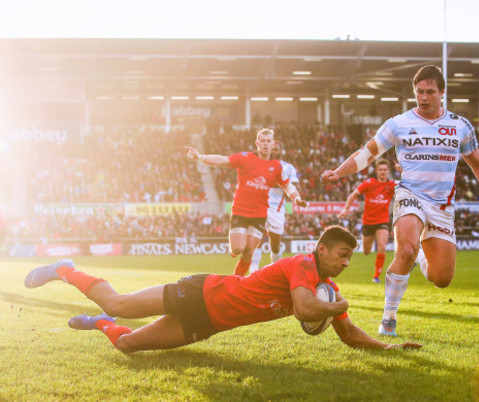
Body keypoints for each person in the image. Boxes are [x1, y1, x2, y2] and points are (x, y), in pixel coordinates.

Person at [322, 65, 479, 336]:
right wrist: (338, 173)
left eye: (430, 92)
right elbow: (367, 153)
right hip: (409, 194)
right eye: (419, 92)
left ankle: (419, 257)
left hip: (442, 206)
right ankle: (388, 319)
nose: (424, 97)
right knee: (405, 249)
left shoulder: (460, 126)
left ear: (442, 93)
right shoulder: (398, 123)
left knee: (442, 279)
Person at [24, 226, 422, 352]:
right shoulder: (303, 266)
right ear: (320, 250)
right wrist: (336, 308)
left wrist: (386, 347)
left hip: (211, 322)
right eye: (341, 254)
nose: (344, 262)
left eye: (349, 258)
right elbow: (303, 310)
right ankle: (65, 269)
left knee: (128, 346)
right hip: (202, 293)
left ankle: (98, 323)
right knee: (121, 303)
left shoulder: (328, 290)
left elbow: (348, 333)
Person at [185, 128, 308, 276]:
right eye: (262, 140)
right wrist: (200, 157)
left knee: (249, 251)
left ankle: (237, 281)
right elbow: (222, 160)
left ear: (272, 144)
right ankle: (234, 249)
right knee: (238, 249)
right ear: (257, 143)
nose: (265, 144)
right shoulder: (245, 158)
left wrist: (296, 198)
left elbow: (287, 185)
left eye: (268, 141)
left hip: (260, 214)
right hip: (240, 212)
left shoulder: (276, 166)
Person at [338, 159, 397, 284]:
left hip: (382, 221)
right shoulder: (369, 183)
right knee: (366, 251)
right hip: (368, 222)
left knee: (382, 246)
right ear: (376, 171)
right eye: (380, 169)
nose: (382, 172)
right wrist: (345, 209)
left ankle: (376, 276)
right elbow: (353, 195)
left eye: (385, 170)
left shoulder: (391, 185)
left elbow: (408, 186)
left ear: (388, 171)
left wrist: (402, 170)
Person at [249, 140, 301, 273]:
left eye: (276, 149)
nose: (273, 151)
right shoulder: (258, 164)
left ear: (281, 151)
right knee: (256, 241)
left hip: (276, 210)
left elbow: (296, 186)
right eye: (271, 148)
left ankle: (274, 272)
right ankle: (253, 273)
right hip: (258, 207)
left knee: (275, 245)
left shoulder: (288, 167)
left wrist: (280, 183)